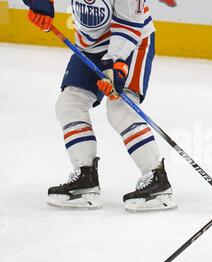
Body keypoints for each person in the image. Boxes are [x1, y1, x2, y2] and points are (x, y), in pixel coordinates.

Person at [23, 0, 176, 212]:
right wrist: (40, 4)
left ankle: (156, 179)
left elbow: (129, 26)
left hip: (132, 44)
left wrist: (114, 66)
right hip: (89, 46)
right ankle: (85, 177)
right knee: (69, 104)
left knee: (120, 108)